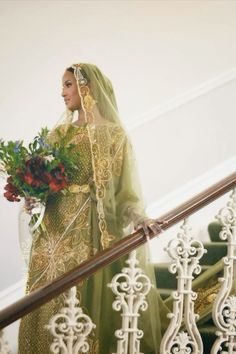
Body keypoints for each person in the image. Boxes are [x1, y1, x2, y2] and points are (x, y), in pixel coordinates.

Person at [18, 63, 169, 354]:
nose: (62, 92)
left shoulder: (115, 136)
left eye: (68, 84)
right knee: (43, 301)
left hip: (88, 235)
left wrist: (139, 217)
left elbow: (125, 193)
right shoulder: (58, 134)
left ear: (87, 86)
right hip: (51, 235)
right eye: (63, 85)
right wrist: (32, 195)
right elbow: (44, 183)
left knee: (78, 303)